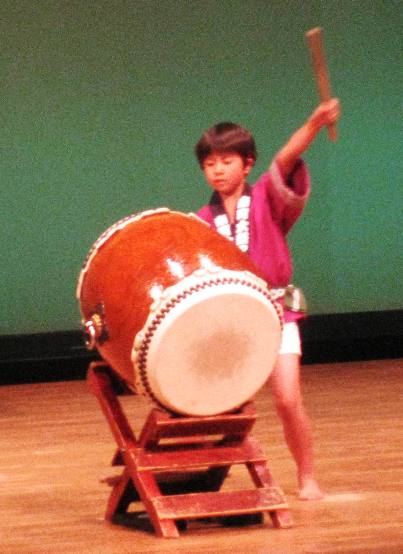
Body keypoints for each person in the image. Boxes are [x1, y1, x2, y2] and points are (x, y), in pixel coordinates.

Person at [195, 99, 340, 500]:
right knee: (211, 406)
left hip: (276, 313)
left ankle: (307, 475)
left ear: (247, 163)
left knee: (287, 398)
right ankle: (198, 479)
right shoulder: (202, 222)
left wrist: (313, 122)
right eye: (210, 164)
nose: (218, 170)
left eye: (227, 161)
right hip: (228, 322)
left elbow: (287, 156)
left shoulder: (267, 201)